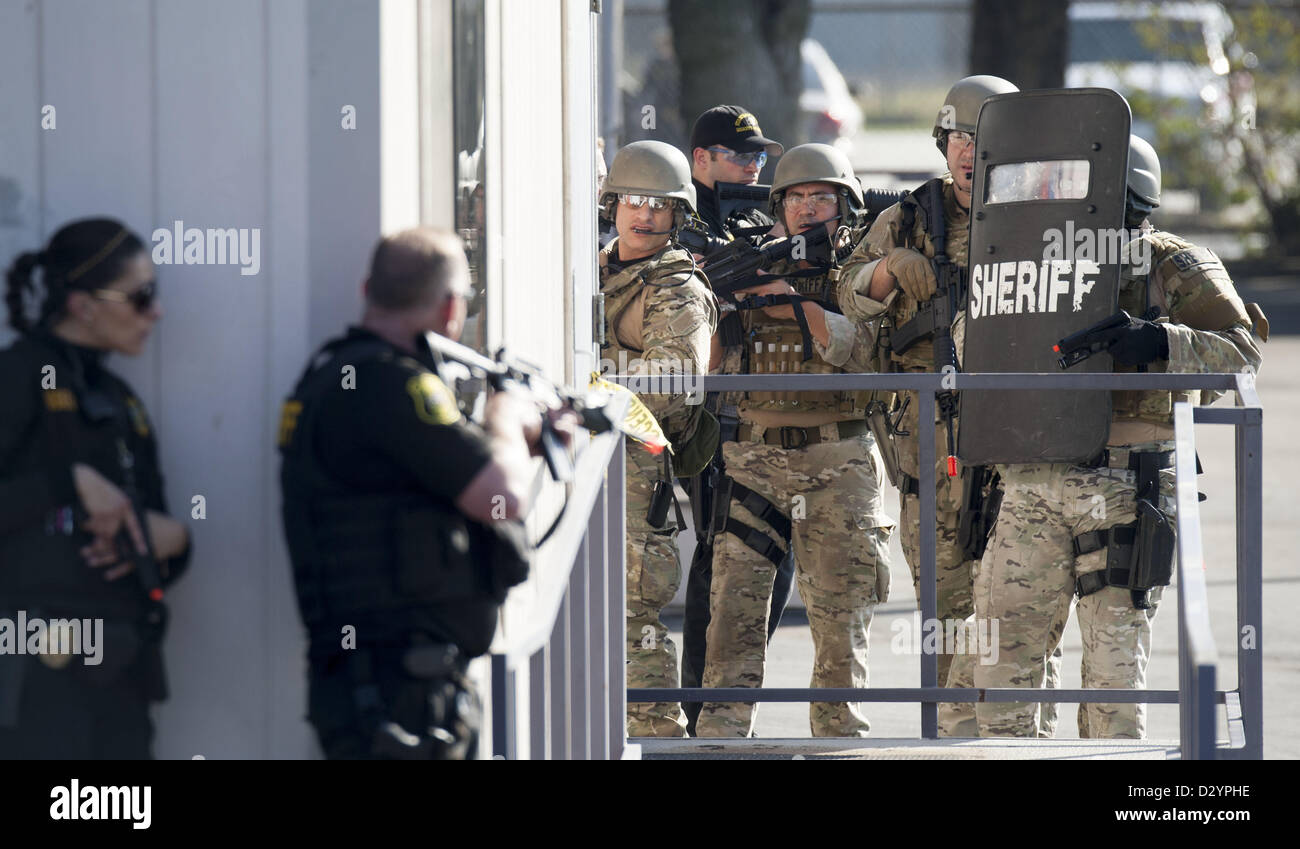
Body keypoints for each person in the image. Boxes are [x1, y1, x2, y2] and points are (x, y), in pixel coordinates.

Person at [970, 135, 1266, 738]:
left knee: (1114, 672)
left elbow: (1242, 355)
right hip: (1031, 478)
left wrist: (1159, 342)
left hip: (1128, 480)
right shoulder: (1027, 259)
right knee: (1004, 660)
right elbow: (970, 337)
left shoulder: (1172, 265)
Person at [279, 227, 572, 759]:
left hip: (373, 681)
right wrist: (505, 419)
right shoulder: (393, 385)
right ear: (450, 308)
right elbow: (501, 497)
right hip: (402, 691)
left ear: (368, 288)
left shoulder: (334, 374)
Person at [695, 144, 893, 737]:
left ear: (846, 205)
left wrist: (785, 301)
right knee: (732, 611)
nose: (808, 209)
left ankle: (838, 738)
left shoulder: (862, 268)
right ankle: (722, 736)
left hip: (840, 455)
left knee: (841, 616)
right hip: (752, 455)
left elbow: (863, 354)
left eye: (822, 198)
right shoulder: (749, 264)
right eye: (797, 198)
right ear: (779, 207)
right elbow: (706, 370)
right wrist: (724, 300)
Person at [0, 218, 192, 759]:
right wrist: (67, 484)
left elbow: (159, 526)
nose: (156, 312)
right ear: (83, 305)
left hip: (120, 673)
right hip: (34, 688)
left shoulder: (119, 400)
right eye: (141, 296)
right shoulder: (17, 378)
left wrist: (171, 539)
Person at [680, 104, 796, 736]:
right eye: (740, 155)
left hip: (769, 407)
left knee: (775, 559)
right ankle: (704, 710)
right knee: (719, 556)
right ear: (701, 159)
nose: (754, 166)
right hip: (714, 413)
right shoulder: (677, 219)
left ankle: (729, 697)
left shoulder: (758, 216)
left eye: (758, 157)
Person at [599, 140, 718, 737]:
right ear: (612, 203)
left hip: (632, 467)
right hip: (575, 458)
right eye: (632, 201)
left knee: (631, 615)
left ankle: (657, 734)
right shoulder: (585, 272)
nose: (643, 215)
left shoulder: (677, 288)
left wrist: (590, 376)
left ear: (677, 215)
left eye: (658, 204)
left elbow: (673, 384)